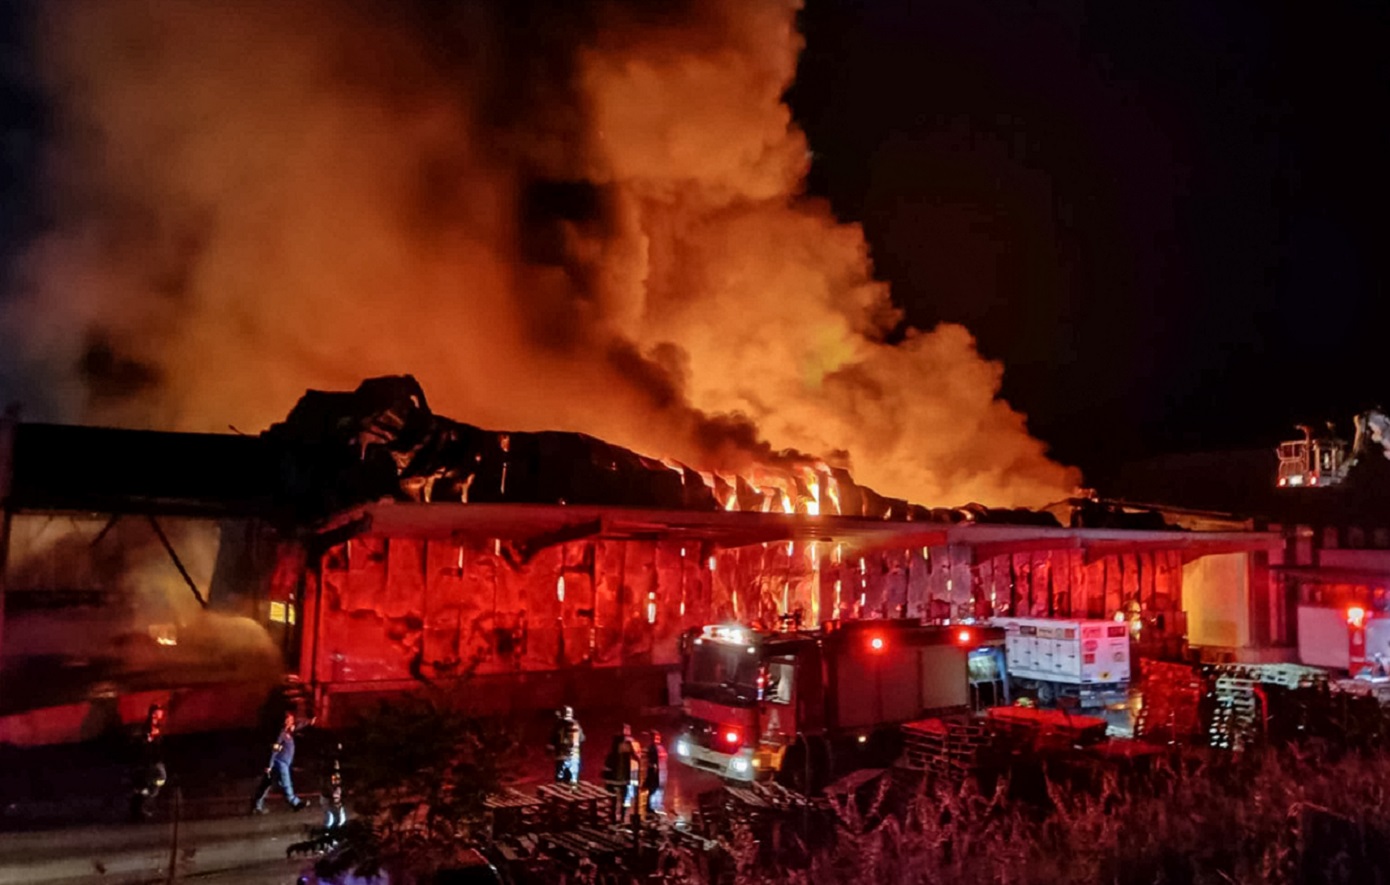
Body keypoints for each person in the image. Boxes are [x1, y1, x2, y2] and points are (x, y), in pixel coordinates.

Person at [252, 711, 311, 814]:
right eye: (290, 720)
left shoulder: (288, 733)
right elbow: (275, 749)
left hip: (281, 763)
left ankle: (257, 805)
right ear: (285, 721)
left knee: (266, 784)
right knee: (286, 783)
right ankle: (295, 803)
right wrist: (269, 765)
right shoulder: (282, 734)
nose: (293, 722)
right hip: (280, 763)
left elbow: (299, 725)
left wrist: (309, 721)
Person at [129, 703, 167, 821]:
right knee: (159, 778)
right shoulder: (148, 726)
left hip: (154, 759)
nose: (162, 714)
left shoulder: (156, 725)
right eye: (159, 712)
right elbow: (147, 740)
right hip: (152, 760)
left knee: (158, 780)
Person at [601, 724, 641, 824]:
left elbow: (610, 758)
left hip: (617, 777)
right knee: (625, 799)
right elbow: (637, 758)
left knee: (616, 798)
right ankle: (622, 818)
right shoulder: (632, 743)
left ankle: (615, 817)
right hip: (627, 777)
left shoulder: (616, 742)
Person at [547, 706, 584, 785]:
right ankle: (572, 794)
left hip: (561, 756)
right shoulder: (576, 724)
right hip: (574, 756)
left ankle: (560, 795)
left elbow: (552, 740)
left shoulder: (558, 725)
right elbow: (582, 739)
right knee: (572, 780)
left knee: (560, 779)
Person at [322, 742, 347, 830]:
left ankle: (334, 837)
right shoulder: (330, 772)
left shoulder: (338, 772)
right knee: (331, 819)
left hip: (334, 796)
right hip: (329, 796)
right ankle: (329, 838)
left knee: (339, 819)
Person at [643, 731, 667, 819]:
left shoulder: (658, 748)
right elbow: (652, 762)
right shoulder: (653, 748)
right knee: (653, 790)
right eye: (655, 737)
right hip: (656, 773)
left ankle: (652, 808)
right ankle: (651, 808)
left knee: (656, 790)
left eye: (657, 737)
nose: (657, 739)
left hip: (660, 773)